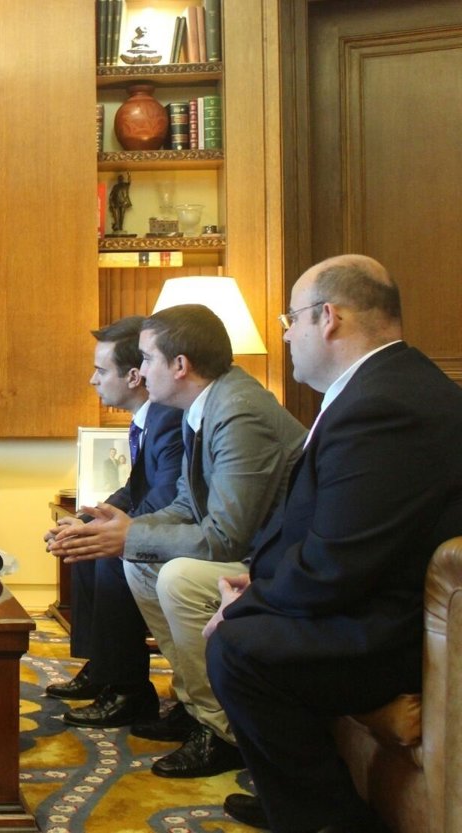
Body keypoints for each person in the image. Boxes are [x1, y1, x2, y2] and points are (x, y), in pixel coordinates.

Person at [205, 256, 462, 833]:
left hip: (394, 629)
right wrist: (260, 584)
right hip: (370, 598)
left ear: (328, 317)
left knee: (240, 649)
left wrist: (244, 606)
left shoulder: (383, 406)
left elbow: (335, 566)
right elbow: (331, 536)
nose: (286, 335)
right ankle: (293, 798)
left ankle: (327, 820)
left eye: (289, 319)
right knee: (245, 630)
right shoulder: (378, 387)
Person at [56, 304, 306, 778]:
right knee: (138, 561)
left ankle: (223, 729)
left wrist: (132, 535)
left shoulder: (237, 411)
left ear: (179, 365)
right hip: (248, 548)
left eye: (147, 359)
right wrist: (120, 531)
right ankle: (196, 706)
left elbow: (225, 537)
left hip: (276, 560)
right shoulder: (200, 405)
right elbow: (187, 505)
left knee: (176, 576)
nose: (141, 371)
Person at [42, 317, 184, 730]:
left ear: (134, 376)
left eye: (100, 371)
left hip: (182, 531)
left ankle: (129, 690)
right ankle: (103, 667)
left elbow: (167, 497)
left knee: (106, 554)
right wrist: (86, 519)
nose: (92, 380)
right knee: (85, 543)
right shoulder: (148, 418)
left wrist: (105, 532)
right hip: (158, 521)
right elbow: (135, 487)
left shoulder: (168, 419)